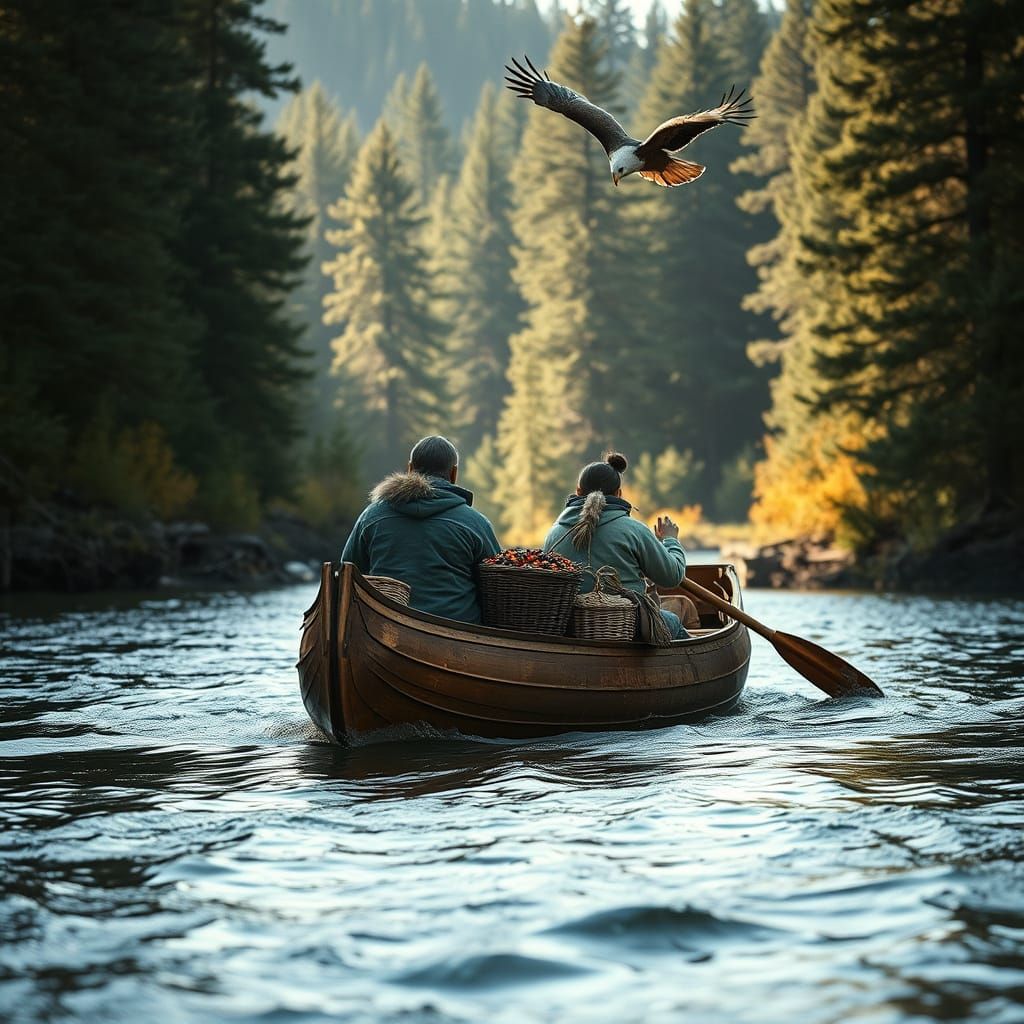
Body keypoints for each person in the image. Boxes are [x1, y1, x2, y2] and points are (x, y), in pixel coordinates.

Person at [341, 436, 501, 623]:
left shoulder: (372, 516)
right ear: (453, 474)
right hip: (457, 634)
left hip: (385, 625)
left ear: (410, 468)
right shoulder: (476, 523)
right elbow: (496, 587)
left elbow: (348, 572)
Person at [543, 452, 689, 639]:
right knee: (674, 622)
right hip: (627, 629)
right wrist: (670, 540)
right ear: (618, 494)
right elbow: (672, 577)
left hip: (572, 629)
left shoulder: (553, 534)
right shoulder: (633, 530)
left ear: (578, 491)